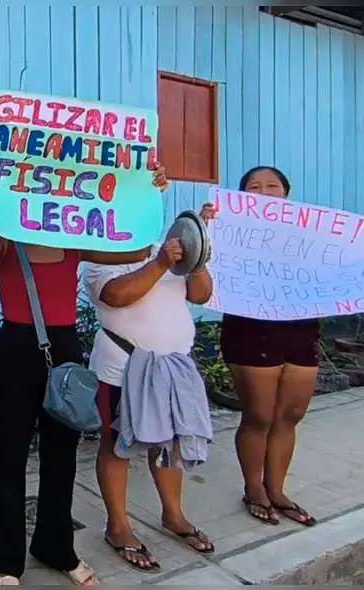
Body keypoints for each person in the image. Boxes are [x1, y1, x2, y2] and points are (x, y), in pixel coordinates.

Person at [0, 155, 168, 586]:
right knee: (9, 455)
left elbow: (136, 248)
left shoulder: (73, 240)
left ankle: (56, 546)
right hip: (16, 346)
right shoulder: (7, 239)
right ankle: (6, 565)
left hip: (65, 348)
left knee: (62, 454)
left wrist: (151, 191)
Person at [82, 204, 216, 572]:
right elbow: (117, 296)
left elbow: (201, 294)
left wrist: (197, 254)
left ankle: (173, 515)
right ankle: (118, 526)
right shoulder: (101, 256)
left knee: (170, 441)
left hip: (173, 366)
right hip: (120, 370)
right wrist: (159, 263)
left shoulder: (169, 248)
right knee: (117, 445)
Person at [222, 167, 319, 527]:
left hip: (300, 330)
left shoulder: (312, 232)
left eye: (272, 186)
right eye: (254, 187)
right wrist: (208, 222)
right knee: (259, 415)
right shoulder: (229, 231)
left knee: (289, 415)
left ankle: (276, 489)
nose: (264, 192)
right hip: (250, 330)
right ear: (243, 195)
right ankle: (254, 489)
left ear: (286, 193)